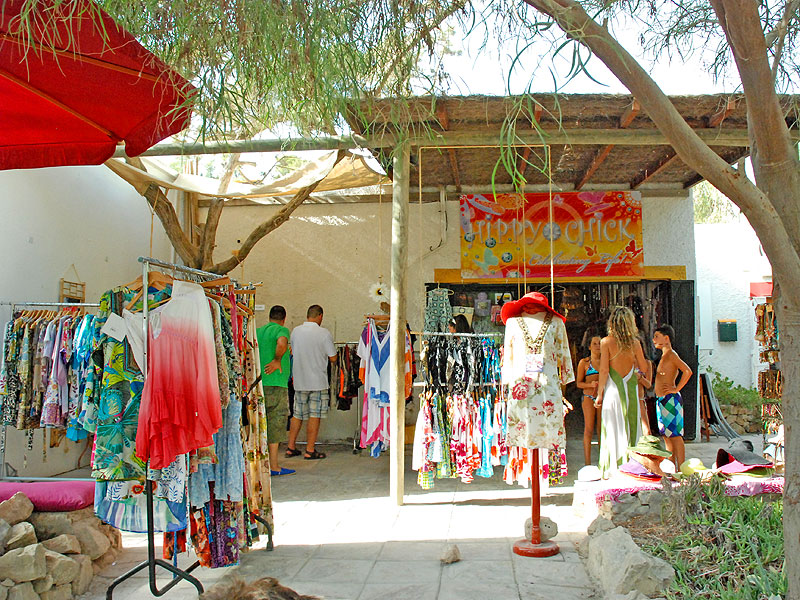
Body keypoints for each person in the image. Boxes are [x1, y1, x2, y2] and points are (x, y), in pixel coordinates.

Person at [595, 306, 649, 478]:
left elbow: (604, 370)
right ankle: (632, 465)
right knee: (632, 425)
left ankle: (613, 466)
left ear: (612, 323)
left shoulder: (606, 342)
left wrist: (599, 394)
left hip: (613, 390)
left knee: (612, 427)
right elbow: (644, 367)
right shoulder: (635, 343)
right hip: (630, 387)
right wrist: (635, 373)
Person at [286, 305, 336, 460]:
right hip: (318, 382)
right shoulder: (324, 333)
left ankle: (290, 447)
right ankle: (310, 450)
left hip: (299, 380)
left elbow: (293, 351)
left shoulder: (296, 332)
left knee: (297, 414)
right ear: (320, 316)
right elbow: (333, 357)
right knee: (315, 415)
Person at [643, 324, 692, 470]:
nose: (654, 340)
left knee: (675, 436)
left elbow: (687, 371)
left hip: (670, 399)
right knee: (666, 436)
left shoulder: (671, 355)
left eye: (657, 336)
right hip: (662, 400)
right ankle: (671, 467)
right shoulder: (664, 356)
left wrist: (676, 388)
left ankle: (681, 468)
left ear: (666, 338)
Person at [256, 305, 295, 476]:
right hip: (277, 384)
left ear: (269, 317)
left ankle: (258, 465)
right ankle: (273, 466)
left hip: (259, 384)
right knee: (275, 425)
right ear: (283, 319)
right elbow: (281, 342)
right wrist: (277, 359)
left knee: (259, 425)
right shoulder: (282, 330)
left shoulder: (258, 331)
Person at [576, 329, 601, 466]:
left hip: (602, 397)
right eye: (595, 344)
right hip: (588, 397)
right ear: (590, 346)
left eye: (600, 343)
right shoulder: (584, 363)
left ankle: (603, 461)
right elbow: (578, 383)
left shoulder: (606, 361)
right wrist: (590, 385)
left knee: (601, 429)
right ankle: (587, 463)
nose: (598, 346)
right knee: (589, 429)